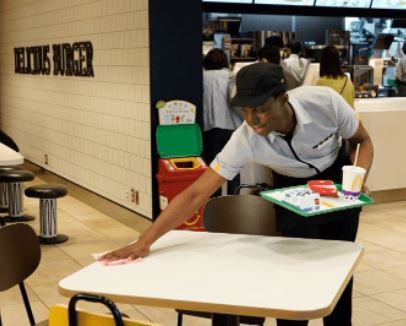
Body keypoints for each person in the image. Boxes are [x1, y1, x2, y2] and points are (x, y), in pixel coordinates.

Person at [101, 63, 374, 326]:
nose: (252, 120)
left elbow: (362, 140)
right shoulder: (245, 138)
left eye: (260, 109)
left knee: (339, 275)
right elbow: (196, 193)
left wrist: (358, 175)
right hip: (291, 190)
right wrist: (144, 241)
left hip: (336, 185)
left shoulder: (325, 102)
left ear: (283, 98)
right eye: (244, 110)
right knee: (293, 279)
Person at [202, 48, 242, 195]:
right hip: (231, 128)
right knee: (233, 169)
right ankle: (234, 202)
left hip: (209, 129)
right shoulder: (230, 76)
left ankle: (215, 204)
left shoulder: (201, 76)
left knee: (213, 172)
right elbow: (236, 102)